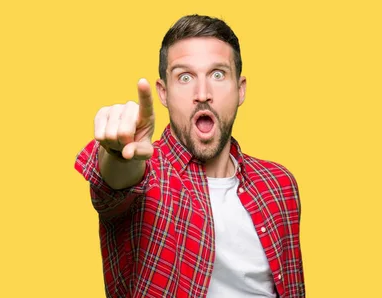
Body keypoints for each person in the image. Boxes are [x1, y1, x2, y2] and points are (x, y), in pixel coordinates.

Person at [74, 14, 305, 298]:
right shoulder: (148, 174)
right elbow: (115, 182)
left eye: (218, 74)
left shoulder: (279, 184)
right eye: (185, 77)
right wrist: (120, 156)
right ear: (164, 92)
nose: (203, 93)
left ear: (240, 89)